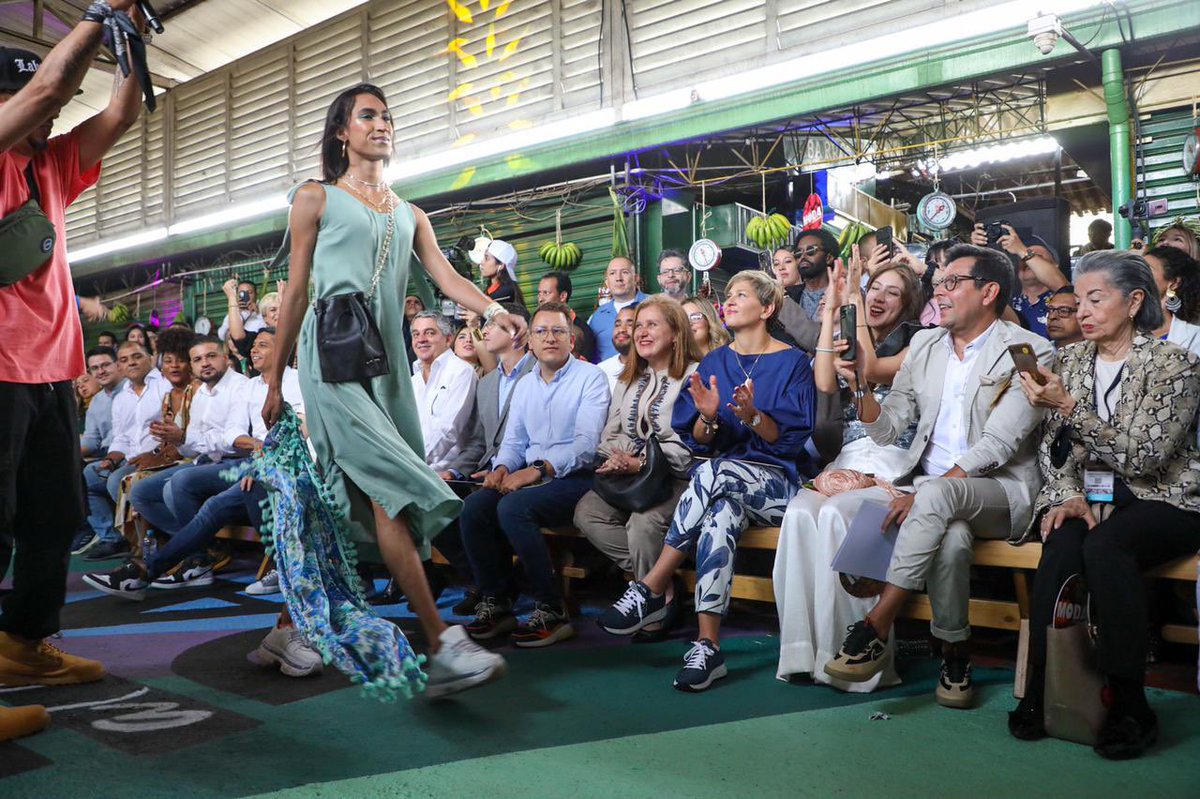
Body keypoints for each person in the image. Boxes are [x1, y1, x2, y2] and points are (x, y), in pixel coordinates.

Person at [262, 83, 525, 698]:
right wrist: (276, 378)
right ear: (341, 132)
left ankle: (286, 626)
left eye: (388, 116)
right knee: (390, 494)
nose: (381, 125)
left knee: (340, 499)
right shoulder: (315, 197)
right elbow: (296, 293)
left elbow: (446, 275)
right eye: (368, 115)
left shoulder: (409, 213)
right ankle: (441, 645)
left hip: (385, 369)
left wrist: (491, 309)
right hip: (329, 367)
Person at [823, 244, 1053, 709]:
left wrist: (932, 490)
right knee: (951, 540)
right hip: (935, 494)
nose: (939, 291)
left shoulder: (1031, 349)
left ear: (988, 291)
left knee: (936, 500)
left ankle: (876, 624)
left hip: (1003, 493)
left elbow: (1000, 444)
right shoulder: (926, 344)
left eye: (952, 283)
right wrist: (861, 387)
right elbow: (888, 430)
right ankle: (955, 654)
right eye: (938, 282)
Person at [1009, 250, 1200, 759]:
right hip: (1094, 495)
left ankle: (1131, 703)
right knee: (1061, 542)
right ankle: (1040, 692)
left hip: (1168, 498)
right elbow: (1055, 449)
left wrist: (1070, 407)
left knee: (1108, 547)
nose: (1081, 309)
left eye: (1096, 298)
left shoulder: (1175, 365)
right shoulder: (1068, 360)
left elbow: (1145, 457)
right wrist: (1068, 494)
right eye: (1077, 298)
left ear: (1135, 301)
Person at [598, 271, 817, 691]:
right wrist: (709, 416)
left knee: (712, 472)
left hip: (778, 485)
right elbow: (698, 437)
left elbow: (787, 443)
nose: (728, 301)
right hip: (722, 485)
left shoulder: (793, 363)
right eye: (727, 295)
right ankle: (708, 647)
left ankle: (650, 586)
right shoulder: (716, 361)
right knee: (719, 517)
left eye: (740, 295)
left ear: (767, 308)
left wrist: (752, 416)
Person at [774, 260, 926, 690]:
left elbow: (872, 370)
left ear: (909, 303)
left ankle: (856, 658)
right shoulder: (844, 332)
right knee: (801, 513)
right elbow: (825, 382)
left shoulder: (921, 342)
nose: (878, 296)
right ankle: (805, 653)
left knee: (840, 515)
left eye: (891, 292)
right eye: (874, 287)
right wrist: (832, 311)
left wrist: (854, 301)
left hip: (895, 464)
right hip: (846, 461)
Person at [460, 301, 609, 647]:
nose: (550, 338)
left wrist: (537, 469)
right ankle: (497, 602)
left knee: (513, 508)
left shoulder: (591, 378)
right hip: (530, 476)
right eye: (541, 331)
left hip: (576, 479)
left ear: (572, 339)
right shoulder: (525, 385)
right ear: (530, 341)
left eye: (558, 331)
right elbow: (513, 441)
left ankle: (551, 608)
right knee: (475, 506)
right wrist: (500, 468)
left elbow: (586, 446)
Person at [575, 297, 702, 641]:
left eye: (652, 325)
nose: (641, 332)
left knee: (643, 525)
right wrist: (616, 457)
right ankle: (660, 585)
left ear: (676, 333)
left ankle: (653, 606)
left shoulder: (695, 375)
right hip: (631, 475)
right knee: (587, 513)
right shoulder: (630, 376)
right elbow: (612, 431)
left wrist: (641, 462)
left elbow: (693, 446)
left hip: (679, 477)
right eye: (638, 326)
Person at [435, 303, 534, 614]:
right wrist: (454, 470)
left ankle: (497, 592)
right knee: (430, 498)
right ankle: (482, 579)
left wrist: (507, 469)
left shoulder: (539, 373)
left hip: (526, 470)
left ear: (517, 331)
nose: (484, 331)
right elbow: (478, 441)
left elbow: (539, 438)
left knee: (476, 508)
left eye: (494, 325)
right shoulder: (488, 382)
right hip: (484, 471)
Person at [81, 341, 169, 561]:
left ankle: (146, 541)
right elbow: (121, 438)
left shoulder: (164, 386)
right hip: (128, 459)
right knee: (88, 477)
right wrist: (110, 460)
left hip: (158, 457)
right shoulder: (122, 398)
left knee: (116, 481)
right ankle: (113, 539)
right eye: (124, 359)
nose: (131, 362)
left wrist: (155, 454)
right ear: (120, 366)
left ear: (150, 357)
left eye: (137, 356)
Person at [411, 311, 478, 473]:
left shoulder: (461, 371)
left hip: (447, 469)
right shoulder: (413, 381)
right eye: (416, 334)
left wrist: (414, 462)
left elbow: (449, 430)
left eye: (430, 333)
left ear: (448, 339)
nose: (421, 339)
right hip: (416, 465)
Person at [974, 222, 1067, 338]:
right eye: (1022, 258)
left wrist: (1021, 250)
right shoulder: (1007, 303)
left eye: (1035, 256)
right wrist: (977, 253)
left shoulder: (1065, 302)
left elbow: (1062, 286)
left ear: (1055, 265)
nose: (1026, 260)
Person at [589, 257, 648, 362]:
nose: (618, 278)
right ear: (607, 282)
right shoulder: (597, 317)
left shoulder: (653, 305)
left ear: (636, 278)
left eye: (624, 272)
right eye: (612, 273)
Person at [1144, 246, 1200, 353]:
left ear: (1174, 283)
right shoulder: (1118, 329)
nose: (1135, 276)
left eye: (1146, 270)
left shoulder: (1195, 337)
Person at [537, 270, 595, 361]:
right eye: (539, 293)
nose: (540, 299)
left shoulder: (584, 332)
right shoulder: (535, 329)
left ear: (563, 296)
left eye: (546, 293)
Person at [79, 346, 124, 460]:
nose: (101, 371)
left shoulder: (132, 390)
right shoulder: (96, 401)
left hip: (129, 453)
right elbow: (92, 439)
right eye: (94, 368)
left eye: (105, 365)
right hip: (104, 454)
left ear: (117, 364)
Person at [793, 229, 839, 320]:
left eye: (811, 251)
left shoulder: (841, 296)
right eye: (798, 253)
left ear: (828, 258)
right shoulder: (789, 295)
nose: (803, 257)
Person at [597, 304, 637, 393]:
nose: (621, 330)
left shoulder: (655, 368)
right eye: (617, 325)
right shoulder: (601, 370)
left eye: (630, 324)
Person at [480, 238, 526, 307]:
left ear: (501, 265)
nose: (482, 262)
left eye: (487, 258)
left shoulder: (506, 291)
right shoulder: (491, 289)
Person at [218, 278, 265, 343]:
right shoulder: (233, 313)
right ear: (237, 295)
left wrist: (258, 313)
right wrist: (237, 314)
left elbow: (268, 329)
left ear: (256, 294)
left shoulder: (263, 309)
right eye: (242, 293)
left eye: (250, 292)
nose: (246, 296)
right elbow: (221, 335)